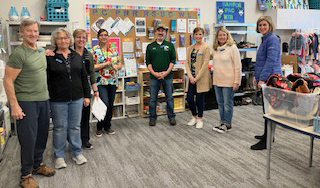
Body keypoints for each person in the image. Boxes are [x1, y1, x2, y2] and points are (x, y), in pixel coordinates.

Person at [3, 18, 55, 188]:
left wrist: (47, 53)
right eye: (29, 31)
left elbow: (40, 63)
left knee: (42, 136)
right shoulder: (19, 54)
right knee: (28, 139)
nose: (33, 34)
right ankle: (25, 175)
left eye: (35, 31)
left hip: (43, 100)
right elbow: (8, 80)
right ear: (21, 33)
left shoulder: (40, 51)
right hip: (26, 102)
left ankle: (37, 164)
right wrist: (15, 105)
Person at [47, 28, 91, 169]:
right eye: (60, 38)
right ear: (55, 41)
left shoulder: (76, 56)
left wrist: (87, 95)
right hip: (58, 99)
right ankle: (59, 156)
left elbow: (84, 77)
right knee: (60, 128)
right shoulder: (50, 57)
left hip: (77, 98)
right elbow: (46, 79)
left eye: (66, 38)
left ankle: (76, 152)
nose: (63, 41)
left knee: (75, 127)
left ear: (69, 40)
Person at [250, 16, 282, 150]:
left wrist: (262, 78)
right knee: (266, 109)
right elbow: (261, 62)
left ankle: (268, 139)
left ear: (270, 25)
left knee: (269, 110)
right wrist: (256, 77)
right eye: (260, 25)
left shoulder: (272, 39)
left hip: (271, 79)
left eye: (264, 25)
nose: (262, 27)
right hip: (265, 77)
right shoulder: (265, 39)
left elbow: (270, 61)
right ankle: (267, 134)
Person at [91, 29, 123, 137]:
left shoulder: (114, 49)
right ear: (98, 37)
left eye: (106, 35)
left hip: (112, 81)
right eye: (101, 35)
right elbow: (92, 68)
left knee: (110, 104)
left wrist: (115, 67)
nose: (104, 37)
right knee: (104, 103)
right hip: (100, 81)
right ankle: (99, 127)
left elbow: (119, 64)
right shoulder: (94, 50)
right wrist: (104, 65)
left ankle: (107, 126)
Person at [211, 28, 241, 133]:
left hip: (229, 81)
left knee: (227, 104)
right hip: (217, 81)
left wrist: (237, 81)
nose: (222, 37)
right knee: (220, 103)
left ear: (227, 36)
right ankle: (222, 122)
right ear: (217, 37)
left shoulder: (232, 48)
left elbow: (238, 66)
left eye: (224, 35)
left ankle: (227, 124)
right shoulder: (215, 49)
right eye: (220, 35)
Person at [146, 24, 176, 126]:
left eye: (162, 31)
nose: (160, 32)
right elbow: (148, 63)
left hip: (167, 76)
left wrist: (166, 73)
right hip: (154, 77)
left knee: (169, 98)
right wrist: (154, 73)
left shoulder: (170, 45)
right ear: (155, 33)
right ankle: (152, 117)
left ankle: (171, 117)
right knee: (153, 98)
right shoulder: (150, 47)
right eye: (158, 31)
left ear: (165, 33)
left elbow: (173, 61)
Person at [73, 29, 99, 150]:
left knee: (85, 115)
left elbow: (92, 73)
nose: (81, 40)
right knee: (74, 117)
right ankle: (73, 141)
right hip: (72, 88)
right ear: (74, 38)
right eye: (79, 37)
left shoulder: (88, 55)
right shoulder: (69, 53)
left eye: (84, 38)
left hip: (85, 88)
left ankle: (85, 139)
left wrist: (95, 90)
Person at [185, 27, 211, 129]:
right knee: (189, 98)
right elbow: (187, 63)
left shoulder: (206, 47)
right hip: (191, 78)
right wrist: (191, 76)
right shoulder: (190, 48)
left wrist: (197, 77)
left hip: (201, 78)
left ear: (203, 35)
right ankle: (194, 116)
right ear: (193, 35)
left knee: (200, 99)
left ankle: (200, 118)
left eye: (200, 34)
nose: (198, 36)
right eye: (196, 34)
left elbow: (205, 64)